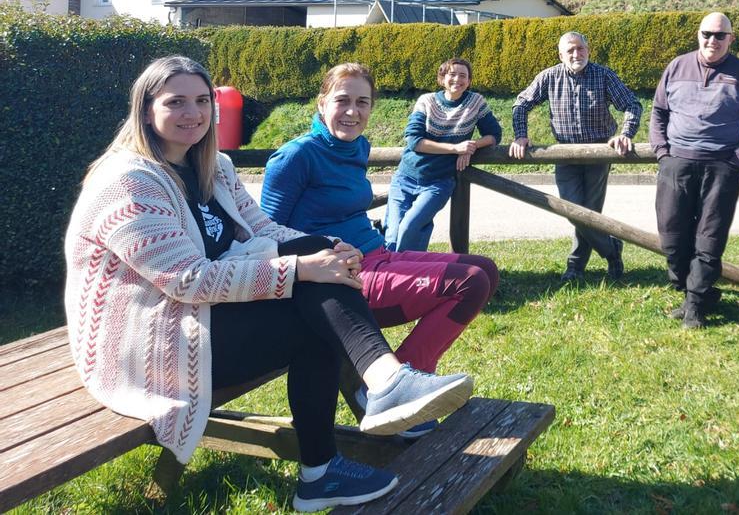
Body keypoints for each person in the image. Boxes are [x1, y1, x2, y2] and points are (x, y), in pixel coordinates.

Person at [65, 56, 474, 512]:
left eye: (202, 101)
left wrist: (329, 248)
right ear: (145, 110)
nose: (193, 113)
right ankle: (348, 433)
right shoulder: (129, 183)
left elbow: (264, 229)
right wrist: (301, 269)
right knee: (310, 311)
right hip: (146, 344)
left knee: (316, 256)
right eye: (175, 102)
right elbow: (187, 279)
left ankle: (375, 396)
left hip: (199, 317)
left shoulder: (213, 166)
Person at [260, 62, 499, 438]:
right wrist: (312, 264)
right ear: (322, 103)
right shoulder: (296, 156)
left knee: (485, 269)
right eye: (342, 100)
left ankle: (399, 383)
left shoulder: (357, 147)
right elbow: (265, 234)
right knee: (469, 282)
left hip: (378, 254)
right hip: (341, 278)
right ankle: (391, 387)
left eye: (362, 102)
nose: (352, 112)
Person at [650, 12, 739, 329]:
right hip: (676, 163)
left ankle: (695, 304)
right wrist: (662, 152)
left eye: (720, 35)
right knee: (671, 237)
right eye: (707, 34)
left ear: (731, 39)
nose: (712, 40)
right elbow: (658, 111)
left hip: (722, 165)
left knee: (709, 238)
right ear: (698, 35)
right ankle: (693, 291)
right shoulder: (677, 66)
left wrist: (737, 157)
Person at [510, 31, 642, 281]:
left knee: (589, 212)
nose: (576, 54)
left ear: (588, 50)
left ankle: (575, 267)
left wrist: (625, 134)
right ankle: (612, 249)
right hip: (565, 153)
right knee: (572, 211)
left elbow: (632, 105)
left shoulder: (603, 75)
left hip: (599, 154)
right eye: (569, 50)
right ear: (561, 55)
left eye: (580, 48)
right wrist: (520, 136)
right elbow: (521, 104)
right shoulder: (549, 76)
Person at [384, 57, 502, 252]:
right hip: (406, 177)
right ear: (442, 78)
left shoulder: (476, 102)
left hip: (438, 182)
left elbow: (494, 135)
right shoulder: (426, 100)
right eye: (452, 74)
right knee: (392, 234)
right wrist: (455, 149)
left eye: (463, 76)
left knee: (410, 227)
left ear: (469, 81)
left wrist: (471, 146)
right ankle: (394, 269)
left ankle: (407, 268)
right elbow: (414, 141)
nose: (457, 79)